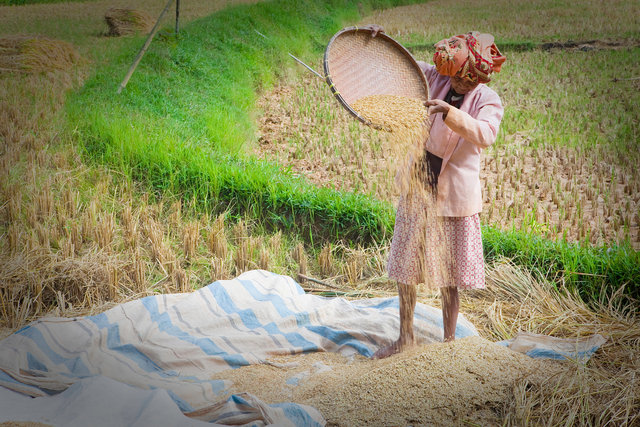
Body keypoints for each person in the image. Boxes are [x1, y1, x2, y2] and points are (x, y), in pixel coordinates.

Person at [368, 27, 506, 358]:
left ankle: (448, 343)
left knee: (449, 275)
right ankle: (405, 337)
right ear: (451, 70)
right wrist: (380, 41)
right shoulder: (434, 77)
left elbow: (486, 134)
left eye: (471, 81)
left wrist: (450, 112)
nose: (464, 84)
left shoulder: (487, 99)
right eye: (460, 78)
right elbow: (403, 67)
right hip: (419, 183)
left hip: (453, 196)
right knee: (405, 268)